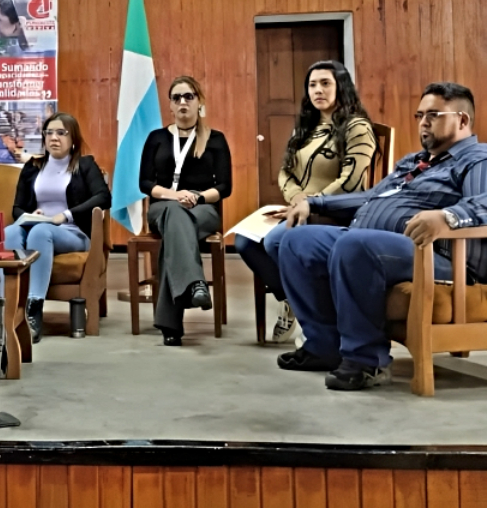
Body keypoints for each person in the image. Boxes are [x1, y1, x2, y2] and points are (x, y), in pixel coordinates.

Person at [276, 82, 487, 391]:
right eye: (419, 115)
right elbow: (371, 198)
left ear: (462, 120)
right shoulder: (414, 162)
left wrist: (447, 216)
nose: (423, 122)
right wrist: (315, 203)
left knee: (354, 245)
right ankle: (324, 346)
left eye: (433, 114)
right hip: (380, 245)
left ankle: (367, 361)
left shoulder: (477, 159)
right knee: (296, 241)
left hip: (442, 259)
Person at [234, 61, 376, 342]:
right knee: (245, 241)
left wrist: (313, 202)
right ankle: (292, 301)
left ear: (341, 87)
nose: (318, 90)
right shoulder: (307, 126)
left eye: (326, 83)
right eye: (312, 85)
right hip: (300, 207)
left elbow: (351, 181)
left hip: (335, 211)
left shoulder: (357, 127)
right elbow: (285, 171)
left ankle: (316, 318)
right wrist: (296, 197)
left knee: (275, 241)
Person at [139, 76, 232, 346]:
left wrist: (198, 196)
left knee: (176, 229)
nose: (183, 102)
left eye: (189, 96)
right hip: (162, 208)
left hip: (203, 209)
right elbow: (145, 183)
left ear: (199, 102)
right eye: (177, 97)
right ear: (170, 105)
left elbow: (225, 187)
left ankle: (171, 323)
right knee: (173, 214)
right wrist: (174, 195)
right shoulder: (156, 138)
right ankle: (195, 284)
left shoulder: (215, 139)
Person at [3, 112, 110, 343]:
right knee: (10, 232)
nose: (54, 138)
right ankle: (8, 307)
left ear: (73, 138)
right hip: (37, 225)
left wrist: (66, 215)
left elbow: (103, 197)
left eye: (61, 133)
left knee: (42, 232)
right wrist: (31, 215)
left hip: (73, 232)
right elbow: (18, 208)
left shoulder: (85, 164)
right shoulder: (33, 167)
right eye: (49, 132)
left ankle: (34, 308)